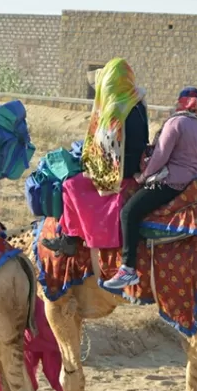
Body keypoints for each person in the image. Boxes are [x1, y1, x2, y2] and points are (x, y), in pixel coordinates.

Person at [102, 87, 197, 289]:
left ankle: (128, 268)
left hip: (170, 182)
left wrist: (142, 177)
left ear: (181, 102)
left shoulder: (176, 123)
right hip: (191, 184)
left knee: (128, 212)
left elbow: (160, 156)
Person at [42, 58, 149, 256]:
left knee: (70, 185)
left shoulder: (117, 109)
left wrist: (92, 167)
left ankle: (70, 238)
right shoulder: (139, 103)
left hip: (120, 173)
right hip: (135, 167)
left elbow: (106, 150)